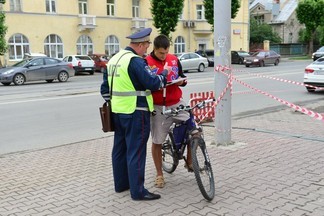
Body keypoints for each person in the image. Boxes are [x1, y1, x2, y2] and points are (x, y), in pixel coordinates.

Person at [100, 28, 171, 201]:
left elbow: (104, 90)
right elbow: (152, 83)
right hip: (136, 112)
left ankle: (122, 184)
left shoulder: (114, 59)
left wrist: (118, 102)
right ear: (140, 44)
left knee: (120, 149)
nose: (147, 49)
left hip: (118, 112)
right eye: (146, 45)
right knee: (136, 151)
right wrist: (164, 74)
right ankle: (138, 191)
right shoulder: (135, 61)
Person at [146, 35, 191, 188]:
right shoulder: (147, 62)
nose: (164, 56)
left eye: (166, 53)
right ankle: (159, 174)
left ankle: (190, 162)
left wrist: (182, 81)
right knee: (157, 140)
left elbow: (182, 77)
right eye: (160, 53)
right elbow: (147, 84)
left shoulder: (173, 59)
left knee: (194, 129)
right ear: (154, 49)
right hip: (159, 106)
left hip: (177, 102)